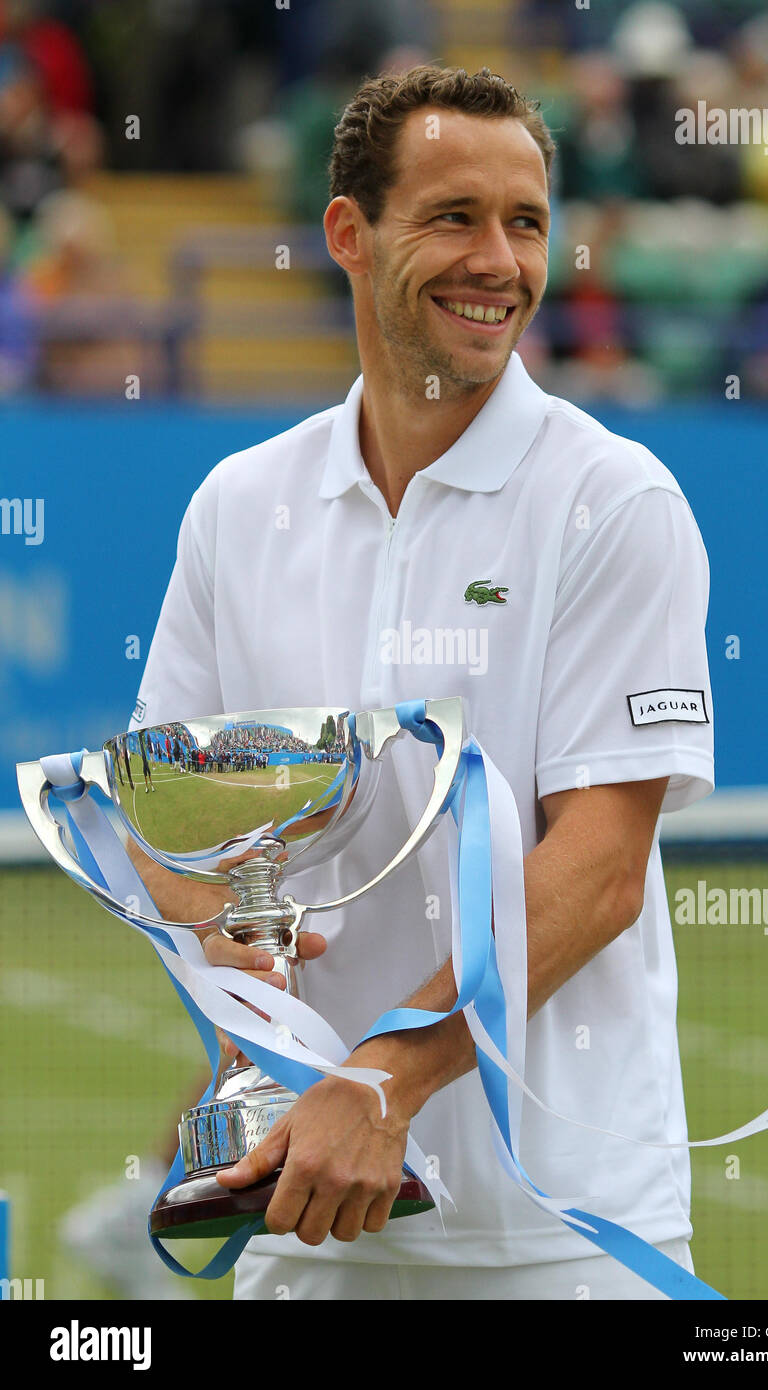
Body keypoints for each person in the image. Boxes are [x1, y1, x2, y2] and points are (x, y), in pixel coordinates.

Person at [130, 65, 714, 1301]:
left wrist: (381, 1076)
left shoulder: (616, 502)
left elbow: (599, 870)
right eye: (453, 216)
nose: (497, 260)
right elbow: (166, 813)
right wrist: (219, 931)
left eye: (526, 221)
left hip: (563, 1233)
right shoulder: (238, 507)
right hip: (305, 1220)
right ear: (349, 233)